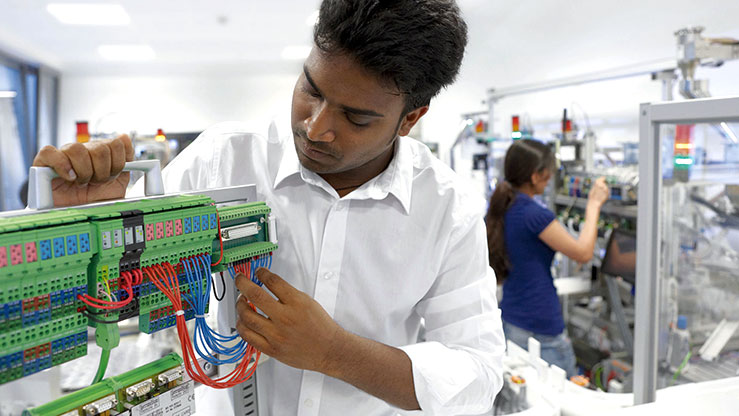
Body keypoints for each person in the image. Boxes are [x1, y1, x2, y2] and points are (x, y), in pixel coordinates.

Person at [32, 1, 505, 414]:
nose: (316, 128)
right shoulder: (223, 157)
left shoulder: (447, 207)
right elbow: (115, 281)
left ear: (411, 119)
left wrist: (335, 352)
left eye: (356, 117)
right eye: (311, 90)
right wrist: (72, 220)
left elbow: (478, 373)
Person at [485, 139, 608, 378]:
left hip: (512, 319)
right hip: (541, 324)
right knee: (566, 396)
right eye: (548, 172)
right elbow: (583, 252)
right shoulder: (534, 215)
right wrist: (593, 204)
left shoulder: (504, 206)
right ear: (535, 176)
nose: (551, 177)